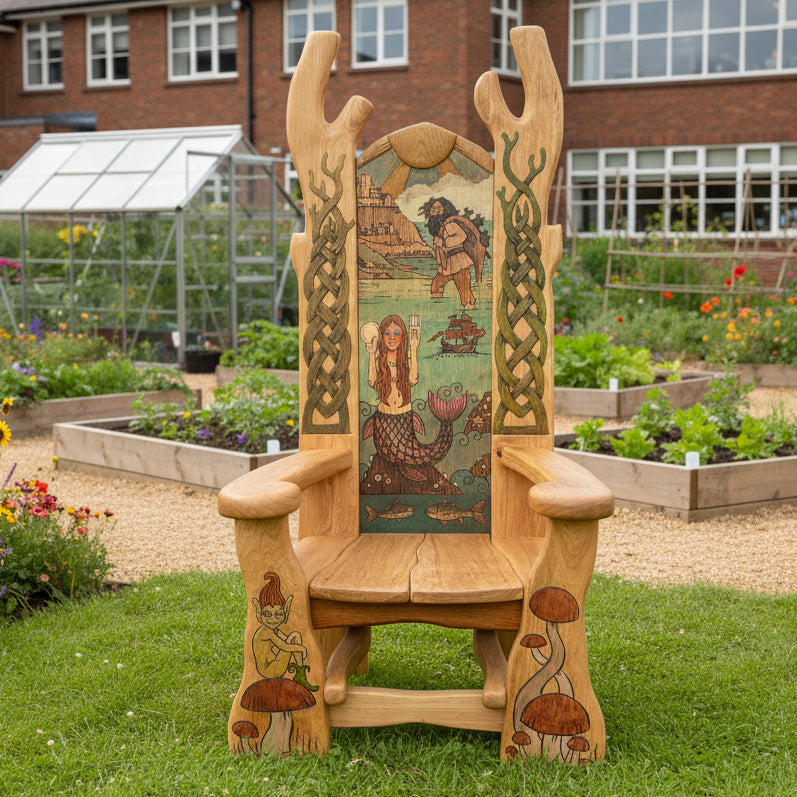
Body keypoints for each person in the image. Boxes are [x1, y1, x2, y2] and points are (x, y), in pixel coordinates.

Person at [422, 197, 488, 310]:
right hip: (447, 263)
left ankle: (469, 305)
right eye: (433, 209)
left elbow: (462, 236)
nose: (435, 211)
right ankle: (436, 306)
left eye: (439, 208)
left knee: (463, 286)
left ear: (446, 209)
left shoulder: (450, 224)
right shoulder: (438, 229)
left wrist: (443, 242)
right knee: (436, 285)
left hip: (458, 260)